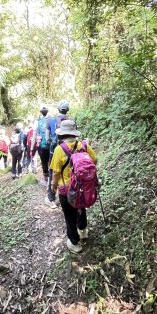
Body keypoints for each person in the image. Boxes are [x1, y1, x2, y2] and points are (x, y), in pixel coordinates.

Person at [50, 119, 97, 253]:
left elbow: (56, 173)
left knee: (70, 216)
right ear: (74, 133)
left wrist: (53, 187)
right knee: (81, 207)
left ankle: (74, 243)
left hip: (66, 190)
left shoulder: (59, 150)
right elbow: (94, 160)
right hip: (82, 186)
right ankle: (83, 231)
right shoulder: (84, 145)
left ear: (62, 134)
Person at [45, 100, 71, 209]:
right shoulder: (72, 121)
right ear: (67, 110)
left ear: (58, 108)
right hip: (70, 150)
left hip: (55, 150)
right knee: (69, 171)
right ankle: (71, 194)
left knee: (53, 173)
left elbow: (47, 139)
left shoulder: (50, 120)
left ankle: (51, 199)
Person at [32, 105, 50, 187]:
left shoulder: (37, 122)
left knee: (44, 162)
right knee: (51, 160)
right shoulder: (51, 120)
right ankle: (52, 179)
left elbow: (34, 135)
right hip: (50, 144)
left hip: (41, 145)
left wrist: (32, 147)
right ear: (48, 112)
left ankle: (46, 181)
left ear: (41, 112)